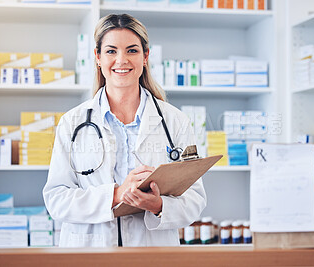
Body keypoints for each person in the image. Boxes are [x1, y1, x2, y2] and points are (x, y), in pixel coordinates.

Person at [42, 13, 206, 247]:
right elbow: (56, 199)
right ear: (97, 57)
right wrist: (117, 195)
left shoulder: (175, 121)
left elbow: (195, 200)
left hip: (152, 253)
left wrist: (158, 206)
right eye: (111, 51)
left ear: (145, 56)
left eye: (132, 50)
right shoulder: (72, 122)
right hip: (90, 254)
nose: (121, 60)